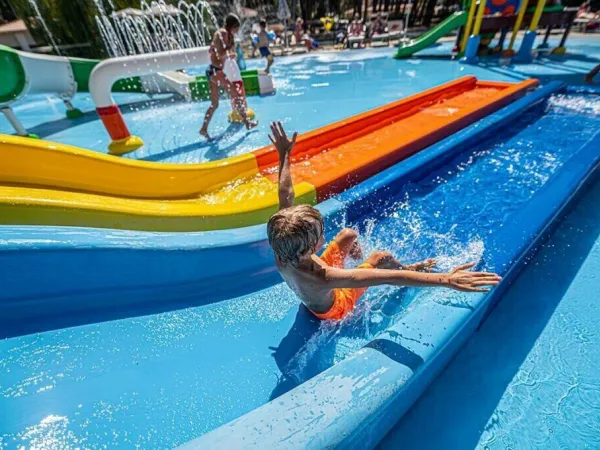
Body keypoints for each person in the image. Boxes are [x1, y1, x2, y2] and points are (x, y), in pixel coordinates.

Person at [266, 121, 502, 321]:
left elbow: (285, 195)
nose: (324, 234)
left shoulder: (283, 246)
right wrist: (447, 279)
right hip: (335, 308)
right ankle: (410, 264)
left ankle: (359, 253)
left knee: (348, 234)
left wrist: (284, 154)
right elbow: (389, 276)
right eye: (320, 234)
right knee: (382, 258)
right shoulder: (325, 276)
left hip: (312, 287)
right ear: (311, 247)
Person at [200, 13, 258, 140]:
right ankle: (247, 123)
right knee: (236, 95)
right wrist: (229, 49)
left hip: (212, 71)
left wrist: (229, 54)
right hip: (216, 72)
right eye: (237, 28)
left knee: (214, 104)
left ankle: (203, 129)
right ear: (233, 26)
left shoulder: (221, 34)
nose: (237, 31)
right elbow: (220, 53)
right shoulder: (223, 34)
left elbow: (215, 52)